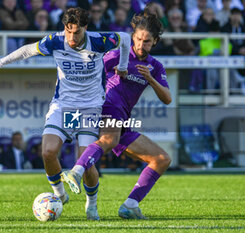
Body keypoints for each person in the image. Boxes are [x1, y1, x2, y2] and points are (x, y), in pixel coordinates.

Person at [0, 7, 131, 220]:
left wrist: (123, 66)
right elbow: (27, 50)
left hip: (90, 107)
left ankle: (92, 203)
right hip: (63, 105)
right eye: (68, 31)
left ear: (85, 29)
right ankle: (60, 194)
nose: (71, 37)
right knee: (48, 152)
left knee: (86, 163)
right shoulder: (55, 41)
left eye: (76, 32)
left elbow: (125, 38)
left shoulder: (99, 41)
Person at [62, 12, 171, 220]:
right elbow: (87, 73)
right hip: (108, 106)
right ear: (133, 37)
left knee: (161, 159)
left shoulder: (155, 67)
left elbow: (167, 98)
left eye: (146, 41)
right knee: (109, 140)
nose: (140, 45)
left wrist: (151, 79)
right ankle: (76, 171)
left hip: (123, 122)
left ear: (155, 41)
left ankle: (130, 205)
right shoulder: (117, 54)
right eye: (138, 39)